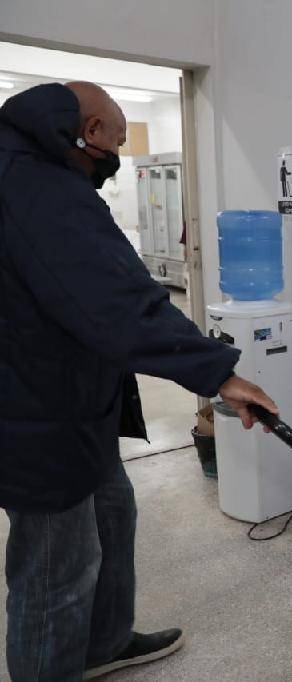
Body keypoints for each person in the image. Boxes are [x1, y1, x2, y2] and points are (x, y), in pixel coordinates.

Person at [0, 81, 278, 680]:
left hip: (69, 403)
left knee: (112, 510)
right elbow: (117, 300)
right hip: (35, 412)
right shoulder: (37, 185)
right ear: (90, 132)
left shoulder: (31, 168)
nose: (117, 158)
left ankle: (102, 643)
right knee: (54, 568)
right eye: (117, 143)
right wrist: (218, 372)